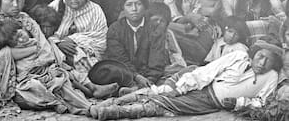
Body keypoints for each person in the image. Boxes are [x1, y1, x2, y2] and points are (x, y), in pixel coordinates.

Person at [89, 37, 284, 120]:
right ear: (255, 53)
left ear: (274, 64)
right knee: (163, 92)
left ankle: (115, 112)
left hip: (211, 103)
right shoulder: (239, 56)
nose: (262, 62)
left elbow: (262, 102)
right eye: (260, 56)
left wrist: (239, 102)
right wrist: (182, 87)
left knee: (164, 107)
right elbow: (206, 72)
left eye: (269, 60)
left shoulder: (271, 77)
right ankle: (115, 101)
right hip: (203, 87)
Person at [104, 0, 167, 88]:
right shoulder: (115, 29)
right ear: (123, 8)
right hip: (124, 74)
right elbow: (119, 59)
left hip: (150, 75)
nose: (134, 9)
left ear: (145, 6)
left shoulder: (155, 28)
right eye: (129, 5)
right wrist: (136, 76)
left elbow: (157, 59)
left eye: (138, 4)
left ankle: (137, 90)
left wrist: (150, 80)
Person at [48, 0, 108, 79]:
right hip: (56, 55)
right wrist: (58, 44)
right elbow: (41, 34)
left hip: (87, 59)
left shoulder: (95, 10)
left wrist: (73, 40)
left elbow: (101, 41)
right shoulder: (55, 6)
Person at [164, 0, 215, 65]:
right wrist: (189, 17)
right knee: (165, 28)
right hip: (182, 39)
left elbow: (204, 24)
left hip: (205, 41)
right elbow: (174, 23)